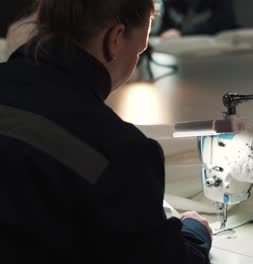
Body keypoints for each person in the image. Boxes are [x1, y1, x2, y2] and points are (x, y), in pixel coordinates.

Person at [0, 0, 212, 263]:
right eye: (140, 51)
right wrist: (194, 232)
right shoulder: (120, 151)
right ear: (115, 38)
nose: (137, 60)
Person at [158, 0, 238, 39]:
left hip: (216, 56)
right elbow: (164, 30)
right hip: (176, 57)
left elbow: (224, 24)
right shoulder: (170, 3)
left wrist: (182, 34)